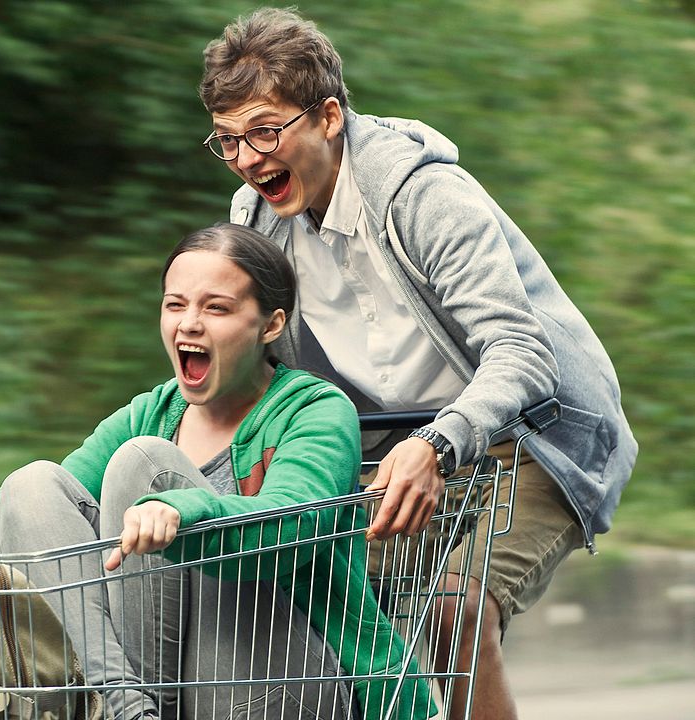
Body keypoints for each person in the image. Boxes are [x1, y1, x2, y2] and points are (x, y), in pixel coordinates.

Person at [198, 8, 637, 720]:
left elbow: (520, 352)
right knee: (297, 587)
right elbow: (260, 364)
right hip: (392, 451)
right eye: (227, 141)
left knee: (453, 613)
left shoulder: (423, 195)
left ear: (329, 117)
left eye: (265, 130)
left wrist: (434, 443)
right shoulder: (258, 220)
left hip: (533, 439)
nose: (248, 158)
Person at [0, 223, 435, 720]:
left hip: (290, 679)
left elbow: (288, 532)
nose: (188, 324)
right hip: (166, 686)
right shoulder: (153, 411)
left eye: (216, 308)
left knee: (144, 466)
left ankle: (125, 705)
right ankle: (127, 705)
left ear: (271, 324)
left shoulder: (312, 409)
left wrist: (182, 510)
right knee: (32, 484)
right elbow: (31, 512)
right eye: (175, 305)